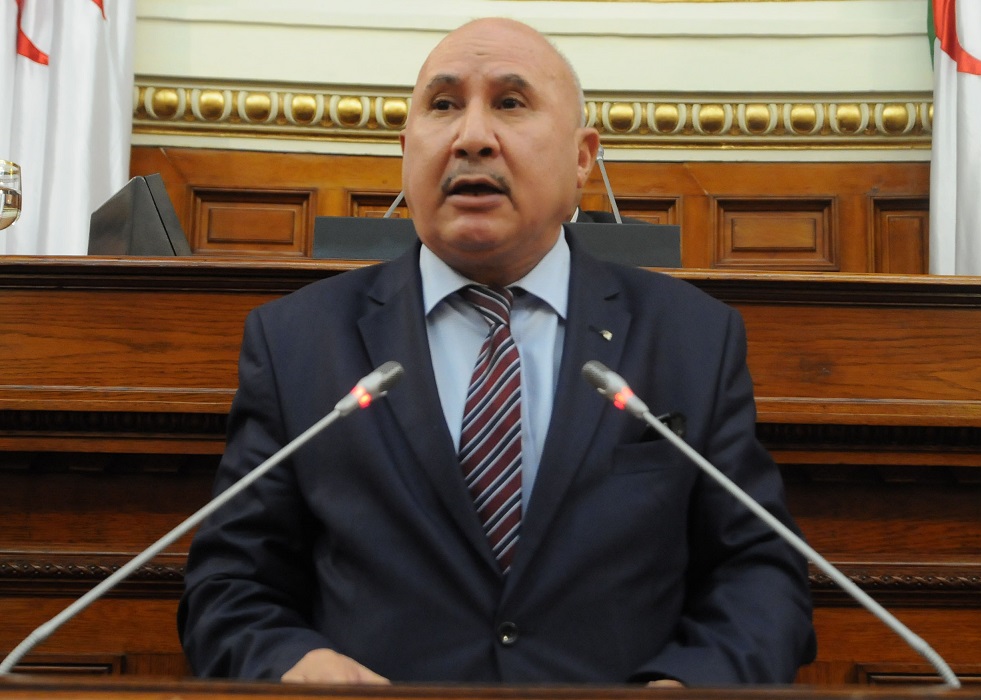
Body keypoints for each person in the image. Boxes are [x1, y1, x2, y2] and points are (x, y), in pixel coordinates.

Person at [178, 17, 816, 686]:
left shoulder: (691, 339)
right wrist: (293, 665)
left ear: (581, 158)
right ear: (406, 149)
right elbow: (227, 585)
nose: (472, 136)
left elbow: (760, 574)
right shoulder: (297, 342)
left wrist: (693, 683)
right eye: (443, 105)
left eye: (510, 103)